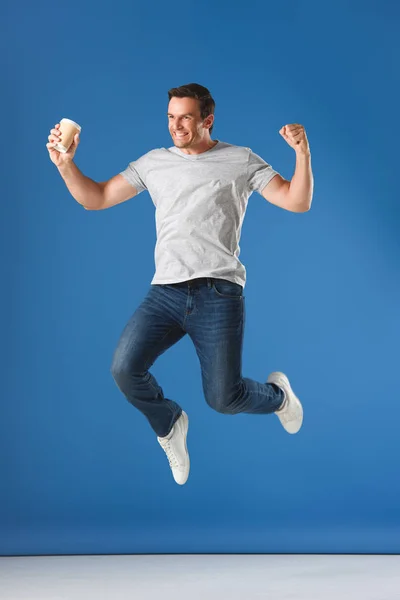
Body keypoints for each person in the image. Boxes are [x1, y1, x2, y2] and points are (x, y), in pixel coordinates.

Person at [47, 83, 314, 486]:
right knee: (124, 368)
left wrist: (302, 154)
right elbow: (96, 197)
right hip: (166, 293)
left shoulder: (240, 160)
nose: (176, 125)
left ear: (207, 120)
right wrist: (65, 164)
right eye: (171, 117)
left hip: (219, 294)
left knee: (224, 399)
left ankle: (279, 397)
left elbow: (297, 200)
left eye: (185, 117)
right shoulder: (154, 163)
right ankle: (169, 422)